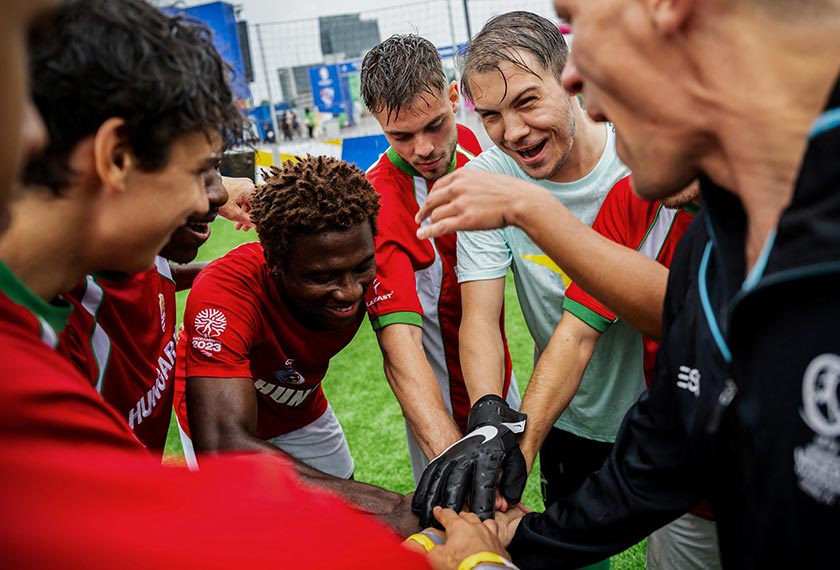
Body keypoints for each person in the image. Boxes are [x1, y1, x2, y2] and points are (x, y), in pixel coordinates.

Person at [0, 1, 429, 567]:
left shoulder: (133, 262)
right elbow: (145, 517)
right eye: (202, 170)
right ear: (117, 158)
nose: (218, 196)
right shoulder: (30, 365)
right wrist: (410, 533)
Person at [427, 0, 840, 567]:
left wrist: (530, 212)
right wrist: (510, 521)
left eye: (579, 17)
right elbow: (659, 444)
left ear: (668, 11)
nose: (578, 77)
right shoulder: (700, 232)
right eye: (492, 114)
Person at [415, 12, 636, 533]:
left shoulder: (638, 156)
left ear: (569, 79)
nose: (512, 132)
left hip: (666, 399)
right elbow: (480, 317)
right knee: (575, 550)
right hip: (564, 410)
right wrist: (490, 411)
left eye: (527, 101)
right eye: (490, 115)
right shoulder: (484, 178)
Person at [176, 155, 418, 534]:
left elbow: (407, 362)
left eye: (360, 268)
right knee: (249, 533)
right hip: (219, 421)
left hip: (299, 404)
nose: (349, 291)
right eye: (323, 277)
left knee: (340, 506)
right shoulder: (226, 292)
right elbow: (225, 444)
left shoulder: (375, 265)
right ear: (275, 262)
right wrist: (393, 506)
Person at [359, 33, 520, 484]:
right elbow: (400, 349)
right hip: (438, 410)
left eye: (433, 125)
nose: (424, 149)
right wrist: (449, 450)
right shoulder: (379, 205)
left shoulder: (476, 147)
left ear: (454, 97)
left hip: (500, 387)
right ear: (378, 124)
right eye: (401, 136)